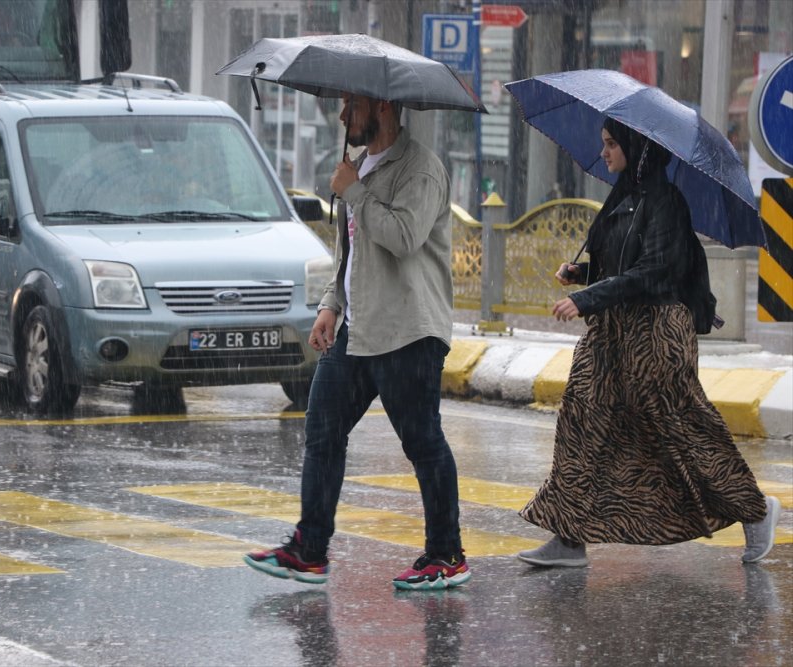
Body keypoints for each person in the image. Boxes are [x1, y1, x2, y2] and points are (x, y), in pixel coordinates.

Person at [516, 117, 781, 568]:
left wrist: (587, 297)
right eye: (603, 144)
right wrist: (581, 273)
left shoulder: (666, 203)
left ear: (637, 148)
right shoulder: (623, 198)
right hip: (611, 333)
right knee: (582, 422)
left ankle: (754, 511)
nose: (604, 153)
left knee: (683, 431)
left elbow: (655, 271)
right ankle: (568, 535)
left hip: (656, 336)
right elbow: (621, 263)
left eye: (611, 144)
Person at [244, 93, 469, 590]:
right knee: (323, 430)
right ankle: (310, 549)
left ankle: (446, 555)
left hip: (407, 330)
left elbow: (404, 235)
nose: (343, 116)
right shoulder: (360, 165)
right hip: (359, 327)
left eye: (352, 106)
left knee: (423, 443)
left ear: (383, 107)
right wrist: (331, 304)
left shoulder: (421, 170)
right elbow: (351, 252)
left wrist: (356, 192)